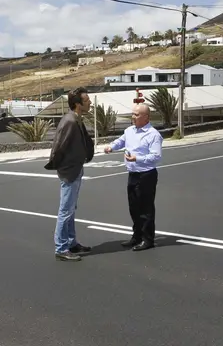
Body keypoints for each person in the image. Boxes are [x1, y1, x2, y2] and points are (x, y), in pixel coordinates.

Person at [44, 87, 95, 261]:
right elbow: (58, 147)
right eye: (87, 100)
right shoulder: (70, 121)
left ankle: (72, 243)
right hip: (70, 171)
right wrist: (59, 167)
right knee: (65, 210)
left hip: (76, 169)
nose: (90, 102)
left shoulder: (76, 119)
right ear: (78, 104)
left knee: (71, 209)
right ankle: (61, 248)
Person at [104, 103, 163, 251]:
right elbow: (121, 141)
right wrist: (111, 146)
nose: (133, 117)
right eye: (133, 114)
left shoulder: (153, 135)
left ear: (146, 117)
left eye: (137, 115)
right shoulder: (129, 130)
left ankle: (147, 239)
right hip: (133, 174)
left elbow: (156, 156)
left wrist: (137, 158)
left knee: (146, 208)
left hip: (146, 174)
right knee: (134, 207)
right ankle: (136, 236)